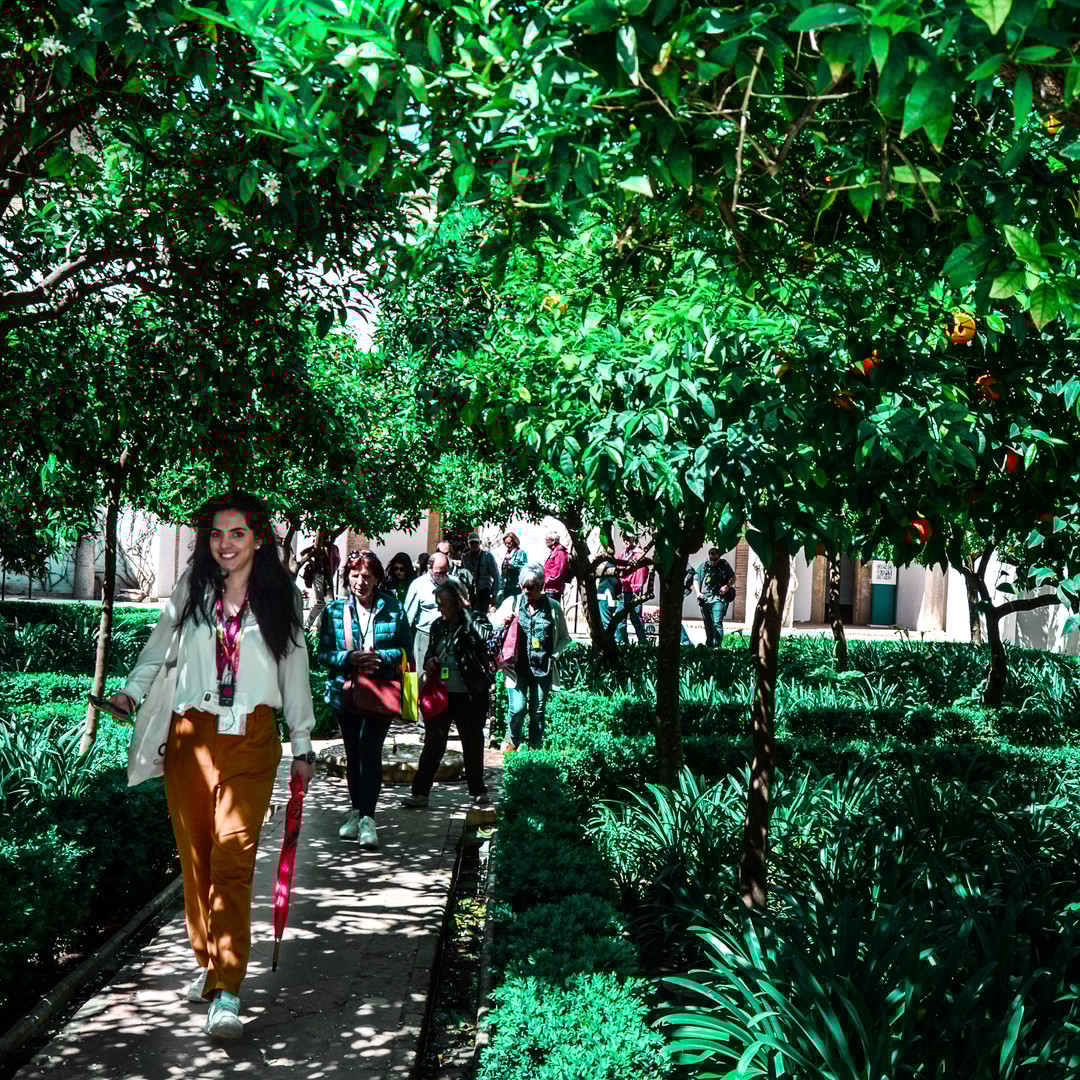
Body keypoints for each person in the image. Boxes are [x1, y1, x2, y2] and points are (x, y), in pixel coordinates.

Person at [108, 492, 316, 1040]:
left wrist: (302, 744)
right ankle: (208, 956)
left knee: (232, 861)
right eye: (217, 534)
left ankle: (227, 989)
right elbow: (158, 649)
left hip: (253, 739)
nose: (226, 543)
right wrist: (130, 693)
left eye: (237, 533)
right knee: (197, 859)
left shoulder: (282, 598)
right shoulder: (192, 588)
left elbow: (295, 671)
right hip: (192, 738)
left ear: (258, 540)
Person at [318, 550, 412, 848]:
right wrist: (350, 658)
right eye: (355, 575)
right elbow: (323, 654)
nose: (361, 581)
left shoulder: (393, 608)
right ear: (348, 577)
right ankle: (357, 811)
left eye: (367, 576)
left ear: (377, 578)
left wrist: (380, 656)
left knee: (370, 750)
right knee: (353, 752)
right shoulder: (335, 611)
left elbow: (405, 650)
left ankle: (369, 818)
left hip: (380, 690)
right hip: (345, 691)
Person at [401, 579, 492, 809]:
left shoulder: (475, 619)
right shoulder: (437, 626)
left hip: (469, 694)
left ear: (455, 602)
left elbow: (483, 638)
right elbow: (430, 652)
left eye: (442, 603)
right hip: (441, 694)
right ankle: (420, 793)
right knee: (433, 743)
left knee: (472, 743)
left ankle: (478, 790)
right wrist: (430, 661)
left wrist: (466, 611)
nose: (439, 608)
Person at [494, 563, 571, 751]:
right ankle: (513, 742)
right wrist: (503, 621)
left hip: (542, 669)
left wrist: (554, 655)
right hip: (516, 669)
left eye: (532, 587)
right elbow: (491, 625)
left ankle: (534, 749)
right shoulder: (512, 603)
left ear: (541, 586)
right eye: (524, 586)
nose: (527, 591)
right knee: (517, 709)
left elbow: (564, 637)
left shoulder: (553, 607)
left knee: (537, 712)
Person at [404, 552, 456, 738]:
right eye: (439, 572)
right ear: (429, 569)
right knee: (424, 680)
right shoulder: (418, 585)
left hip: (449, 637)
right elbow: (408, 616)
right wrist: (406, 645)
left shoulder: (453, 583)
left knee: (446, 680)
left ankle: (442, 722)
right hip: (424, 636)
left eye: (446, 571)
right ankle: (423, 726)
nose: (443, 575)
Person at [695, 547, 736, 647]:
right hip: (705, 599)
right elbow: (695, 579)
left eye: (715, 559)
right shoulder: (704, 566)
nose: (713, 562)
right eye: (711, 559)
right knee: (708, 623)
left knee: (717, 622)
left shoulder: (724, 565)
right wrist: (698, 593)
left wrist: (727, 587)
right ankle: (709, 645)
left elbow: (733, 577)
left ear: (719, 557)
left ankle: (717, 646)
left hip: (718, 598)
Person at [300, 530, 340, 631]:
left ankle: (320, 626)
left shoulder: (332, 548)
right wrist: (313, 563)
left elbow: (337, 561)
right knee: (322, 602)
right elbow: (303, 553)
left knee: (327, 603)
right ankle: (309, 625)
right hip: (320, 576)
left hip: (327, 577)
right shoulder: (319, 547)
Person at [615, 535, 649, 644]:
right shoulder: (621, 555)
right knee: (620, 617)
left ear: (633, 540)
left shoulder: (638, 555)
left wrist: (636, 589)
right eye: (624, 539)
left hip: (634, 591)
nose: (626, 541)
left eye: (628, 539)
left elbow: (641, 573)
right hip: (623, 590)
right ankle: (622, 642)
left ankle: (643, 642)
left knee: (636, 618)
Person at [460, 532, 500, 612]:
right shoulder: (465, 557)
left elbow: (496, 577)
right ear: (468, 544)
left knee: (482, 615)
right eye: (471, 542)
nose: (474, 545)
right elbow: (462, 576)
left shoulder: (488, 556)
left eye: (476, 542)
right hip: (470, 592)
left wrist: (494, 595)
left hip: (484, 592)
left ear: (480, 543)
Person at [499, 531, 529, 605]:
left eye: (509, 543)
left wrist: (512, 566)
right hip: (507, 584)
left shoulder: (520, 552)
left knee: (515, 603)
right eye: (505, 543)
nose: (507, 545)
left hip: (516, 584)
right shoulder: (507, 554)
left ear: (514, 542)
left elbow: (524, 567)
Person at [595, 542, 619, 631]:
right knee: (605, 619)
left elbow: (614, 582)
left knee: (606, 620)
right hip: (606, 597)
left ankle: (610, 636)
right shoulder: (609, 564)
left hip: (606, 597)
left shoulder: (610, 565)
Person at [542, 530, 572, 602]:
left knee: (552, 607)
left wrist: (548, 580)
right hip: (549, 588)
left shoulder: (560, 552)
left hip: (554, 588)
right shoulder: (554, 551)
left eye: (547, 540)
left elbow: (560, 571)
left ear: (553, 541)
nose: (546, 542)